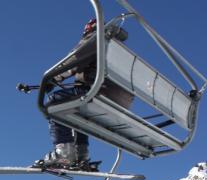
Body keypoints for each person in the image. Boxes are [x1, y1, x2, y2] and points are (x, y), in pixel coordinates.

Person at [36, 18, 134, 171]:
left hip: (98, 92)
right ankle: (81, 154)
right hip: (119, 102)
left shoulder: (97, 39)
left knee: (54, 102)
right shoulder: (120, 50)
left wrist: (51, 78)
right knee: (77, 112)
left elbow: (74, 60)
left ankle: (64, 153)